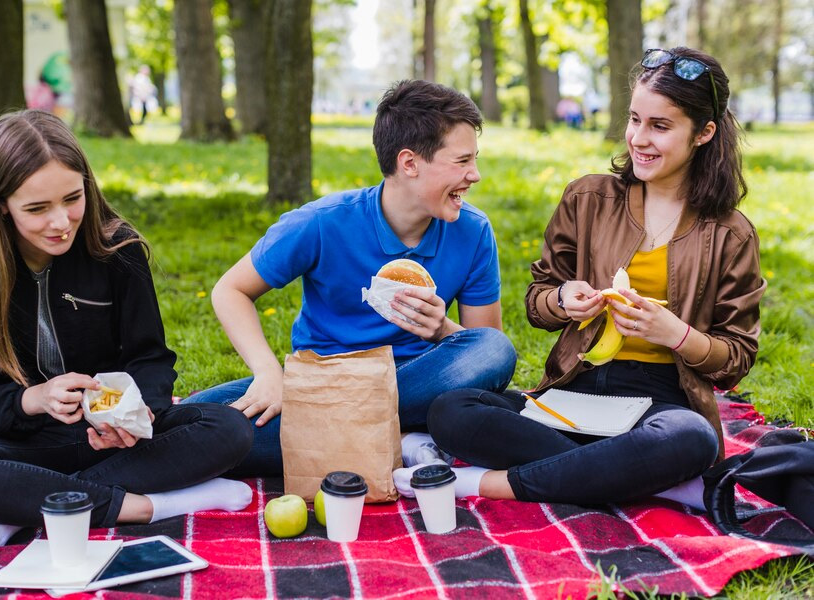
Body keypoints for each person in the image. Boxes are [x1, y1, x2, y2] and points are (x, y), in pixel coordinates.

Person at [411, 48, 766, 505]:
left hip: (658, 403)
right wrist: (563, 299)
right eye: (634, 119)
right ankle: (638, 477)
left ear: (704, 132)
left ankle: (486, 484)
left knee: (691, 437)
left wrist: (675, 334)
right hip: (573, 389)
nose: (638, 138)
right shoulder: (588, 199)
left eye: (660, 126)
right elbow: (537, 302)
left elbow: (735, 359)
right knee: (451, 409)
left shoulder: (730, 234)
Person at [0, 110, 254, 548]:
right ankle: (150, 506)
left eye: (72, 198)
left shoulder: (118, 250)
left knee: (229, 428)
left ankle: (29, 503)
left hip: (119, 440)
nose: (61, 222)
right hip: (33, 442)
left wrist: (140, 411)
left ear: (87, 185)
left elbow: (149, 357)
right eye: (37, 209)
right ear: (1, 203)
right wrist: (33, 399)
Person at [184, 80, 516, 477]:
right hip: (322, 382)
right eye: (462, 161)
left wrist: (441, 329)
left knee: (495, 349)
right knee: (192, 420)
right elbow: (230, 290)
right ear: (409, 163)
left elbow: (486, 351)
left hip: (418, 381)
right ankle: (401, 439)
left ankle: (347, 437)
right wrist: (268, 373)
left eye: (474, 160)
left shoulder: (473, 231)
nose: (474, 175)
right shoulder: (322, 222)